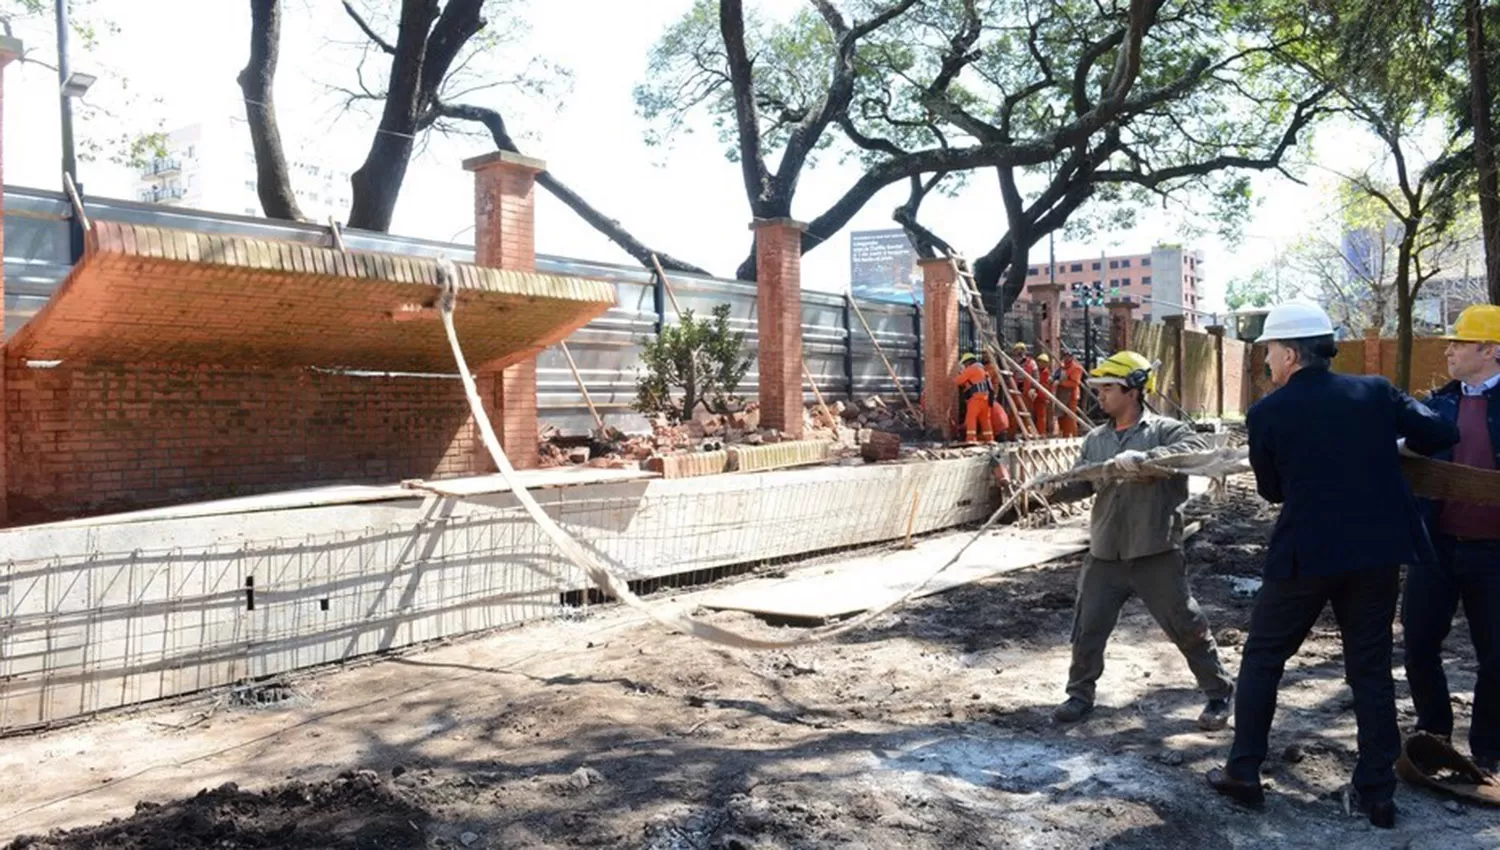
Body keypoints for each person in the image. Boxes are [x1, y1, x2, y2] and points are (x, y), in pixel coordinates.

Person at [1206, 302, 1458, 829]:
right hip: (1376, 553)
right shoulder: (1374, 391)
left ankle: (1245, 771)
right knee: (1369, 669)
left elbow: (1273, 491)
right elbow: (1440, 434)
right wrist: (1385, 447)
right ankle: (1378, 792)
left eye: (1269, 351)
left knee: (1264, 659)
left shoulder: (1268, 412)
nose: (1267, 361)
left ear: (1291, 354)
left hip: (1306, 553)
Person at [1050, 350, 1235, 731]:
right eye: (1098, 389)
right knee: (1088, 627)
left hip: (1155, 551)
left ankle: (1218, 693)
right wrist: (1047, 491)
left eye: (1107, 388)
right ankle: (1079, 695)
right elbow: (1083, 484)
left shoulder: (1166, 430)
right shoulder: (1096, 440)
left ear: (1133, 391)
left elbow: (1195, 451)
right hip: (1105, 551)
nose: (1099, 396)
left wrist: (1145, 459)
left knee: (1186, 623)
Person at [1404, 303, 1500, 776]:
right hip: (1435, 548)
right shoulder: (1436, 404)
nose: (1449, 350)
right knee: (1419, 645)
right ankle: (1434, 735)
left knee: (1497, 658)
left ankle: (1488, 750)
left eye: (1460, 343)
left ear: (1489, 349)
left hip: (1495, 555)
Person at [955, 352, 995, 443]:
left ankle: (971, 438)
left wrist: (959, 373)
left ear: (968, 362)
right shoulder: (984, 370)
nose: (965, 366)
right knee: (985, 419)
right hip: (986, 398)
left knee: (971, 417)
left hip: (976, 398)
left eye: (965, 364)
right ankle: (990, 439)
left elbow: (958, 381)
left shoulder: (971, 369)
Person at [981, 352, 1011, 440]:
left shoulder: (992, 367)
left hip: (989, 393)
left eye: (986, 354)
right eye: (983, 354)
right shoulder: (985, 366)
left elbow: (985, 378)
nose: (985, 356)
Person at [1058, 351, 1087, 438]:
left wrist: (1061, 383)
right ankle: (1065, 436)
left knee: (1070, 417)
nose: (1066, 358)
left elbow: (1074, 383)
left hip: (1071, 395)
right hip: (1062, 394)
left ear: (1072, 357)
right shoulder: (1063, 367)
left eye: (1068, 356)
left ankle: (1073, 436)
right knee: (1061, 417)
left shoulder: (1076, 368)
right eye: (1065, 356)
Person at [1034, 352, 1056, 437]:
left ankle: (1041, 433)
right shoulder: (1037, 371)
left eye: (1042, 362)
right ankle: (1037, 432)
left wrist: (1040, 394)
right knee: (1037, 415)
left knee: (1041, 416)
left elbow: (1045, 386)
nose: (1040, 363)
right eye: (1039, 361)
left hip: (1042, 397)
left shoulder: (1046, 373)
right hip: (1036, 396)